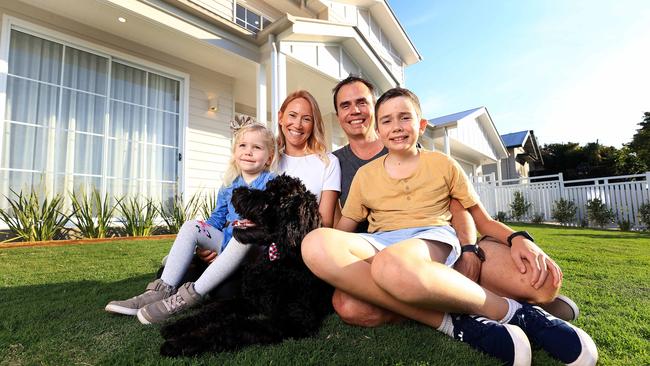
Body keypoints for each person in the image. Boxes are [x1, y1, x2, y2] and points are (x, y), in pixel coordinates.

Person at [302, 88, 598, 365]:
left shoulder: (442, 163)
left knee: (390, 265)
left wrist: (520, 237)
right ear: (379, 130)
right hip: (383, 240)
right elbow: (341, 231)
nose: (396, 126)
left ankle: (511, 313)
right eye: (387, 121)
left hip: (432, 236)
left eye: (405, 117)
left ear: (421, 125)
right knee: (315, 243)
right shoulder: (365, 175)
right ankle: (491, 314)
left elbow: (481, 220)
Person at [105, 121, 278, 324]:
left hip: (253, 250)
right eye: (242, 146)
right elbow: (216, 219)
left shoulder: (271, 183)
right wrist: (200, 242)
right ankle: (161, 290)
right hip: (225, 243)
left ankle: (184, 298)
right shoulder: (229, 185)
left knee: (243, 236)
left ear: (269, 157)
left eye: (256, 147)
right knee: (191, 226)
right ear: (234, 151)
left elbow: (274, 221)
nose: (248, 152)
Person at [277, 90, 340, 228]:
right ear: (280, 117)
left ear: (313, 125)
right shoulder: (269, 160)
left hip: (308, 242)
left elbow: (325, 224)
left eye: (306, 119)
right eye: (292, 115)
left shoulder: (328, 162)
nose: (298, 125)